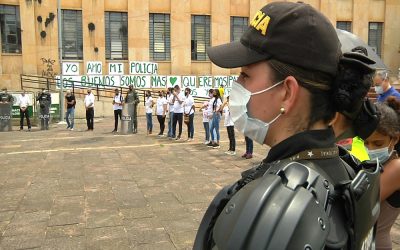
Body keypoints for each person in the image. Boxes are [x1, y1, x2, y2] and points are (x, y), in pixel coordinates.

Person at [194, 2, 380, 249]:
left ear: (287, 92)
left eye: (245, 76)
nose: (236, 85)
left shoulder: (270, 215)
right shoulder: (347, 169)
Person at [364, 98, 400, 250]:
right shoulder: (381, 164)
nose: (371, 149)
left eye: (378, 144)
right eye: (366, 143)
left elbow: (361, 203)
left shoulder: (397, 168)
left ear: (395, 139)